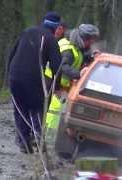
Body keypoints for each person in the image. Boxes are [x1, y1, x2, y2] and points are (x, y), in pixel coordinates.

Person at [7, 12, 62, 154]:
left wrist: (9, 75)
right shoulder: (51, 39)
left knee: (20, 109)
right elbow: (57, 66)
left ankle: (24, 142)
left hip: (15, 75)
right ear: (56, 27)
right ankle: (38, 138)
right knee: (37, 108)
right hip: (32, 78)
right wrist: (58, 86)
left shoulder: (27, 31)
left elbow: (12, 54)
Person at [45, 24, 99, 160]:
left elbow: (81, 55)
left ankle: (49, 145)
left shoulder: (76, 45)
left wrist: (92, 56)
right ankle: (48, 145)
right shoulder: (68, 50)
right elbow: (62, 67)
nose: (90, 44)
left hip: (61, 85)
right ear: (83, 38)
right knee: (54, 116)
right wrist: (79, 74)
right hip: (53, 83)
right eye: (89, 41)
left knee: (55, 115)